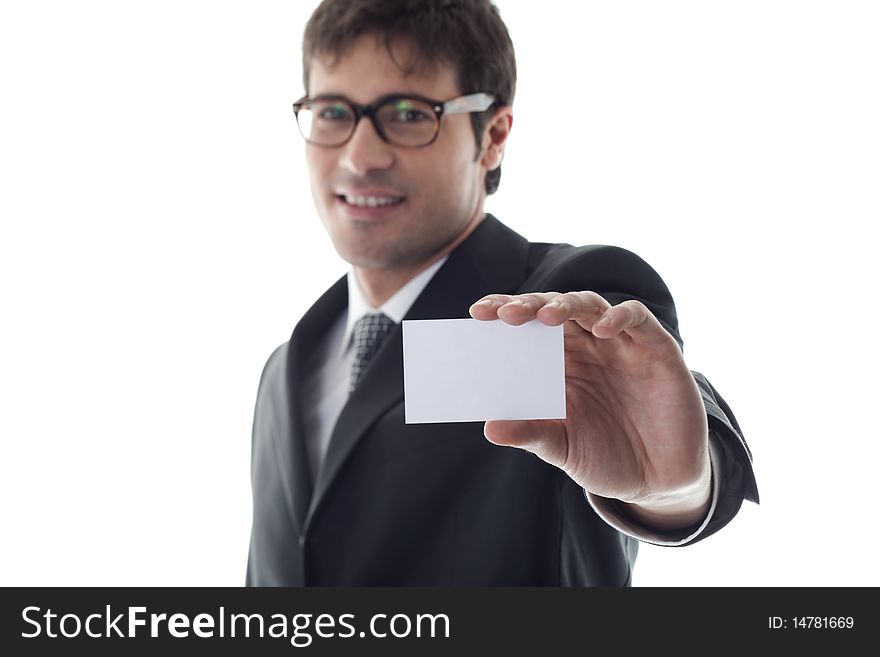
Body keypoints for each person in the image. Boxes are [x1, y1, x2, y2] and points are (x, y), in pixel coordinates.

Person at [246, 0, 758, 586]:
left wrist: (681, 487)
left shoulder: (554, 309)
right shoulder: (284, 369)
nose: (360, 157)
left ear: (492, 136)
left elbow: (663, 452)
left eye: (410, 114)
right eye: (333, 112)